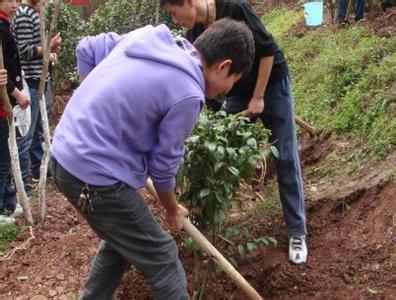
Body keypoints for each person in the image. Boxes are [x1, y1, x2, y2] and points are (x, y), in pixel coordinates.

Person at [50, 19, 254, 299]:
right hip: (92, 174)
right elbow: (163, 166)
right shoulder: (188, 93)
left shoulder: (148, 37)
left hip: (63, 152)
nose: (228, 90)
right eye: (234, 80)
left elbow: (86, 48)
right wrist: (172, 210)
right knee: (164, 259)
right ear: (223, 66)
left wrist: (91, 104)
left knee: (122, 242)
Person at [161, 0, 308, 264]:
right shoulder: (195, 34)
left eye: (174, 13)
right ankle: (206, 217)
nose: (175, 20)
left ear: (188, 3)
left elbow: (267, 50)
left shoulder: (234, 7)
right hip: (236, 91)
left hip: (271, 82)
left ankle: (297, 232)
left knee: (285, 155)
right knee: (219, 152)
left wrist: (260, 96)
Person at [12, 0, 61, 194]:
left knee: (40, 130)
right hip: (30, 82)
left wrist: (49, 53)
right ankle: (22, 183)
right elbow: (24, 51)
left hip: (40, 79)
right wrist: (48, 47)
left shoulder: (35, 12)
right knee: (27, 134)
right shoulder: (24, 14)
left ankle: (40, 170)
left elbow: (37, 48)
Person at [0, 0, 29, 225]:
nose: (14, 5)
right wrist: (15, 91)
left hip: (6, 104)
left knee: (6, 156)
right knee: (2, 158)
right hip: (2, 104)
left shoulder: (6, 25)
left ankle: (8, 201)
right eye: (9, 0)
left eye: (16, 1)